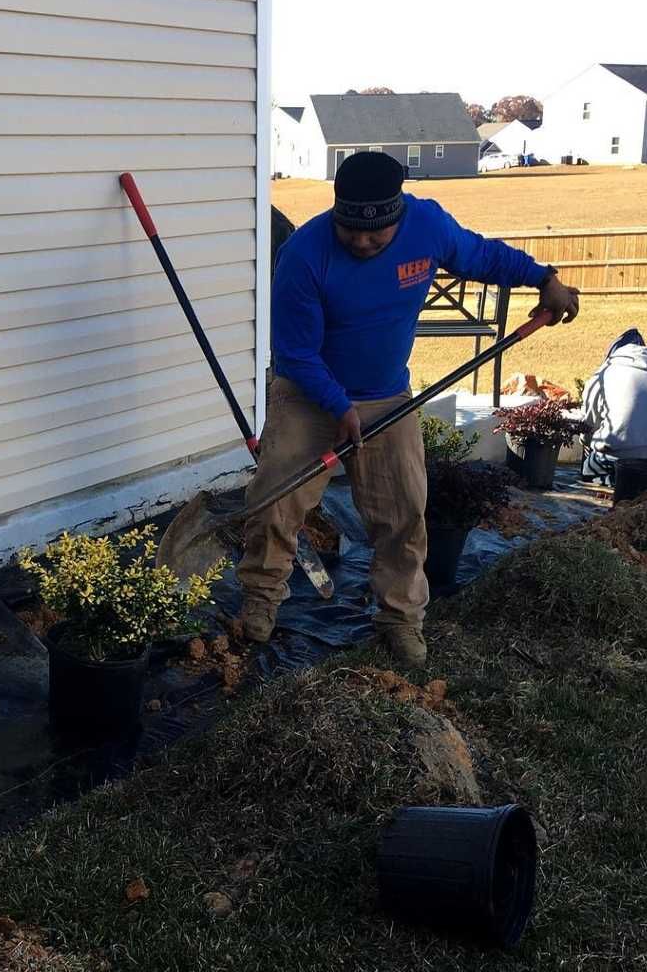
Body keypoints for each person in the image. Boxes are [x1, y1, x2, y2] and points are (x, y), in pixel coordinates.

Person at [237, 151, 580, 665]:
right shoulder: (305, 255)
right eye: (351, 230)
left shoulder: (427, 226)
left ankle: (400, 618)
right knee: (274, 504)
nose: (363, 241)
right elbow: (296, 354)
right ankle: (260, 602)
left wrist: (542, 277)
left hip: (388, 396)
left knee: (403, 514)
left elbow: (483, 256)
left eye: (376, 234)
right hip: (309, 396)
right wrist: (339, 408)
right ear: (337, 213)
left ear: (397, 214)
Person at [578, 328, 647, 487]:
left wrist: (587, 443)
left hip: (619, 460)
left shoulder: (603, 373)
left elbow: (588, 425)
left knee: (588, 467)